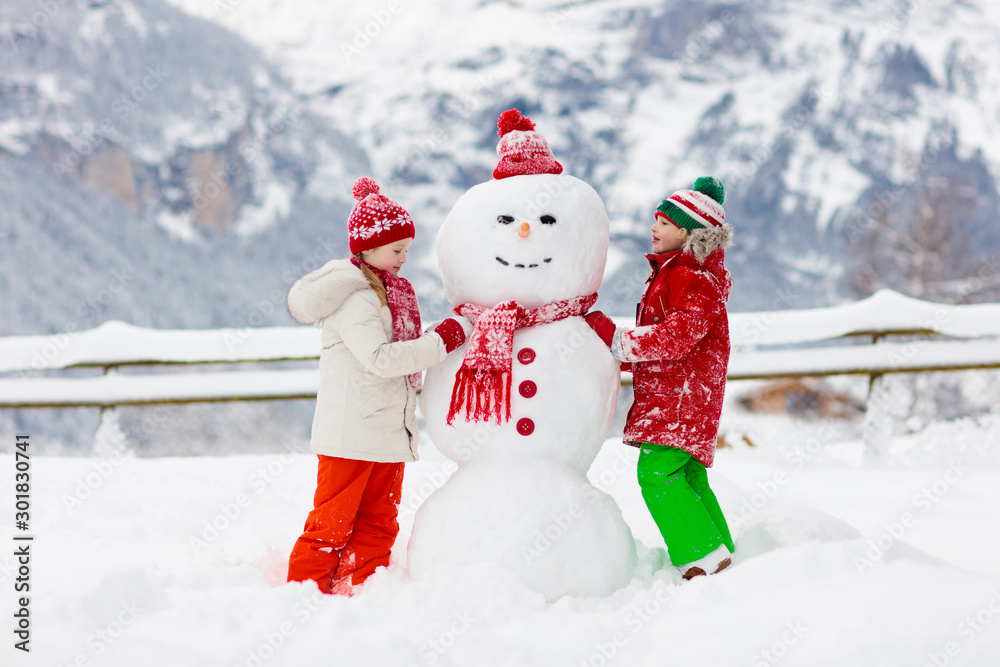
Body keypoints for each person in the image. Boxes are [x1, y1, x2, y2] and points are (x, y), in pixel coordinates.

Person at [285, 177, 467, 595]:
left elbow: (400, 351)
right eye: (397, 249)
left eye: (406, 249)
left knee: (379, 520)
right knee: (331, 522)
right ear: (367, 247)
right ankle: (302, 594)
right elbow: (381, 359)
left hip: (386, 428)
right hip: (350, 432)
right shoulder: (355, 296)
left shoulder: (389, 291)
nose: (404, 258)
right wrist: (441, 342)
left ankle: (360, 590)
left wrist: (440, 337)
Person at [586, 177, 736, 580]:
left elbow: (677, 337)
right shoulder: (677, 273)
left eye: (664, 222)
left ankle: (703, 558)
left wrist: (617, 341)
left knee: (656, 474)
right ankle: (721, 551)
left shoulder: (693, 277)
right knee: (686, 474)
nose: (654, 228)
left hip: (682, 397)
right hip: (678, 394)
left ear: (687, 232)